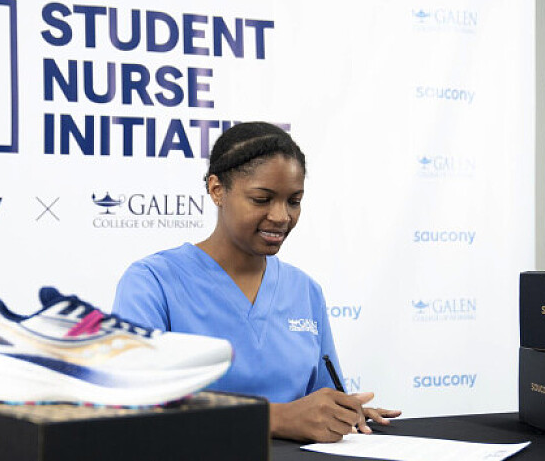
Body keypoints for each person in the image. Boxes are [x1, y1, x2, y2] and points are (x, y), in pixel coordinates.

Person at [113, 121, 400, 443]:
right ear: (217, 190)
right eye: (262, 199)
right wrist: (275, 418)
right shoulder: (153, 282)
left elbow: (321, 399)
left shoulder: (305, 290)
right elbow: (136, 405)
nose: (281, 216)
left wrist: (343, 413)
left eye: (294, 201)